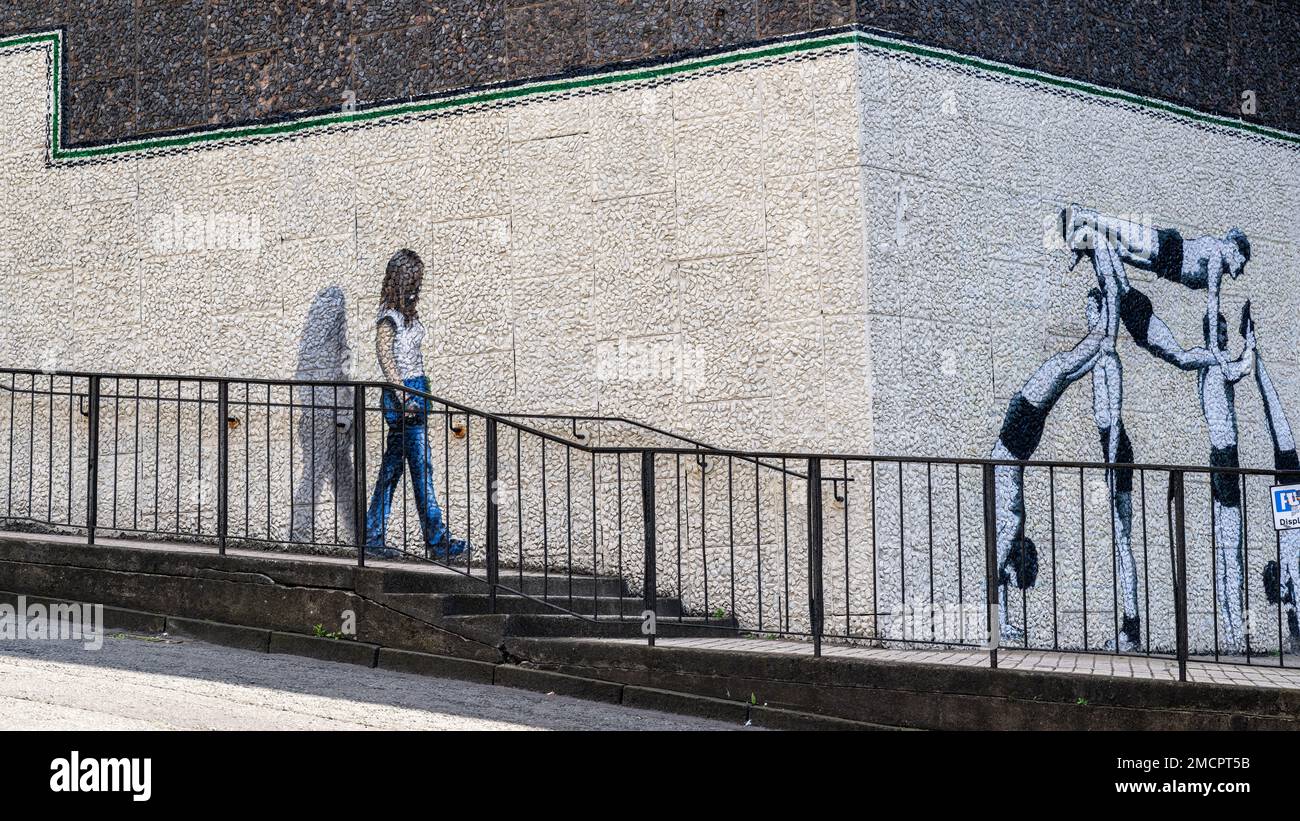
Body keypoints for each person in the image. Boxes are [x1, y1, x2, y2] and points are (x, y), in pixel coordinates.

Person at [991, 288, 1108, 642]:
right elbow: (1081, 359)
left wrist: (1102, 332)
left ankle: (1000, 624)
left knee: (1008, 531)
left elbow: (1081, 366)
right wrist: (1103, 325)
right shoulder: (1051, 372)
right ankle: (998, 625)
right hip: (1010, 454)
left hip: (1012, 454)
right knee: (1007, 532)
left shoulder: (1051, 379)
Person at [363, 249, 467, 561]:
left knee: (392, 470)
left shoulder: (407, 315)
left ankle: (372, 536)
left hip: (416, 390)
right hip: (404, 394)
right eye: (414, 280)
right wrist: (404, 395)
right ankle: (436, 540)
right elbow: (386, 359)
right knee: (422, 469)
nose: (418, 287)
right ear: (402, 280)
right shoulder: (389, 317)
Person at [1061, 204, 1250, 374]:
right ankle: (1081, 214)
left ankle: (1083, 243)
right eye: (1242, 263)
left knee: (1118, 246)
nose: (1241, 271)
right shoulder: (1217, 253)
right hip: (1169, 249)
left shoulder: (1219, 260)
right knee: (1120, 233)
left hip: (1164, 267)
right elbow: (1213, 303)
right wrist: (1216, 349)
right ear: (1233, 249)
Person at [1245, 305, 1300, 650]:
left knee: (1278, 423)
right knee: (1278, 423)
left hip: (1292, 511)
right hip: (1292, 507)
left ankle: (1256, 358)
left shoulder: (1290, 553)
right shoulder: (1290, 553)